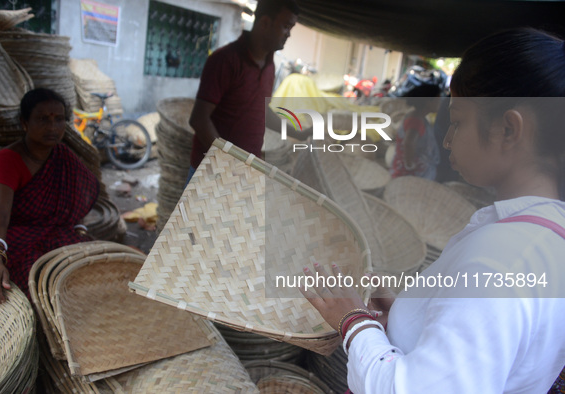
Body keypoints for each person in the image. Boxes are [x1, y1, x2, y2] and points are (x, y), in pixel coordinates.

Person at [302, 28, 565, 393]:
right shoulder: (546, 239)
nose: (447, 138)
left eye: (457, 121)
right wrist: (405, 315)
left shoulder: (501, 260)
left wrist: (353, 320)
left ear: (508, 129)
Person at [0, 88, 100, 303]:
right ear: (25, 122)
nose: (52, 127)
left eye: (59, 119)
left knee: (96, 276)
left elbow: (74, 204)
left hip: (59, 237)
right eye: (43, 119)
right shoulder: (8, 159)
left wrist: (80, 234)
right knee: (42, 286)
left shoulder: (63, 157)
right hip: (20, 244)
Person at [186, 0, 310, 185]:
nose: (289, 34)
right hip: (210, 174)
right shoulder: (225, 61)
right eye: (285, 26)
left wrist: (298, 133)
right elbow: (199, 119)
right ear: (265, 23)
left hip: (244, 175)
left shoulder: (269, 66)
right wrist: (228, 162)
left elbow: (263, 112)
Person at [390, 83, 442, 180]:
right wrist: (410, 165)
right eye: (437, 100)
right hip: (410, 174)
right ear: (428, 102)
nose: (439, 103)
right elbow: (408, 143)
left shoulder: (418, 117)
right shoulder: (416, 120)